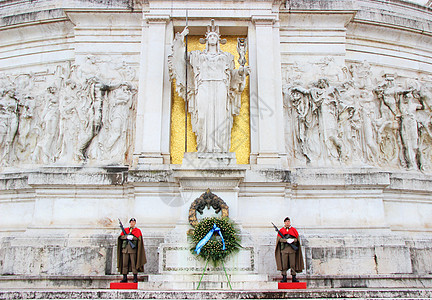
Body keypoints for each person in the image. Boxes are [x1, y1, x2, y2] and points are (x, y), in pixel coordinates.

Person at [275, 217, 304, 282]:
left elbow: (297, 239)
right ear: (284, 223)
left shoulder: (294, 230)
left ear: (290, 222)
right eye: (286, 222)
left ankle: (294, 277)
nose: (287, 223)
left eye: (288, 221)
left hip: (292, 250)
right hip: (284, 250)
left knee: (292, 264)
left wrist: (292, 240)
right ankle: (284, 277)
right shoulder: (281, 230)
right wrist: (286, 240)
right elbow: (279, 240)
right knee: (284, 264)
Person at [117, 218, 146, 283]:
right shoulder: (126, 230)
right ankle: (124, 277)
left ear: (135, 223)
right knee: (125, 264)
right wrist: (126, 237)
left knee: (133, 264)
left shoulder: (137, 230)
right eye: (131, 222)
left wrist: (132, 237)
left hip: (132, 250)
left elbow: (138, 239)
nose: (132, 223)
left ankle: (135, 277)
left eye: (133, 222)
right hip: (125, 250)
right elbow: (121, 237)